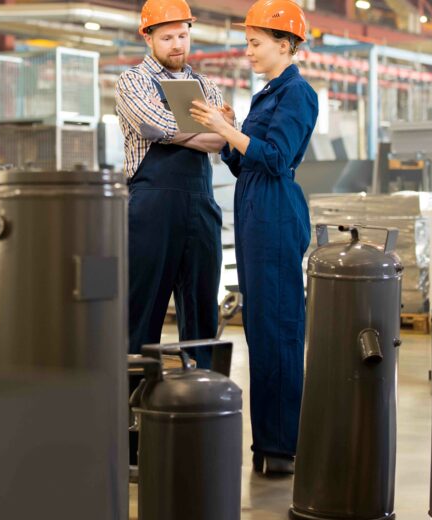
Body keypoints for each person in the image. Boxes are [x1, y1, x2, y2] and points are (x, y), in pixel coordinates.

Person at [190, 0, 318, 475]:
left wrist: (228, 129)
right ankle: (267, 443)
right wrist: (230, 135)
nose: (247, 51)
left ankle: (283, 445)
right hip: (252, 205)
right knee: (260, 329)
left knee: (280, 326)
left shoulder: (297, 93)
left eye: (255, 43)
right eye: (248, 42)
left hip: (275, 212)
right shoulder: (266, 94)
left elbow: (277, 157)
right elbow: (246, 160)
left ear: (284, 45)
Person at [114, 0, 227, 368]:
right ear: (148, 38)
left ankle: (201, 395)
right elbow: (151, 125)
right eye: (167, 37)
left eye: (182, 35)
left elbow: (223, 139)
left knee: (201, 308)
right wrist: (203, 130)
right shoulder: (133, 81)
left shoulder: (206, 86)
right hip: (152, 207)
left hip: (201, 204)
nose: (177, 44)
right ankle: (131, 405)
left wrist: (176, 130)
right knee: (142, 305)